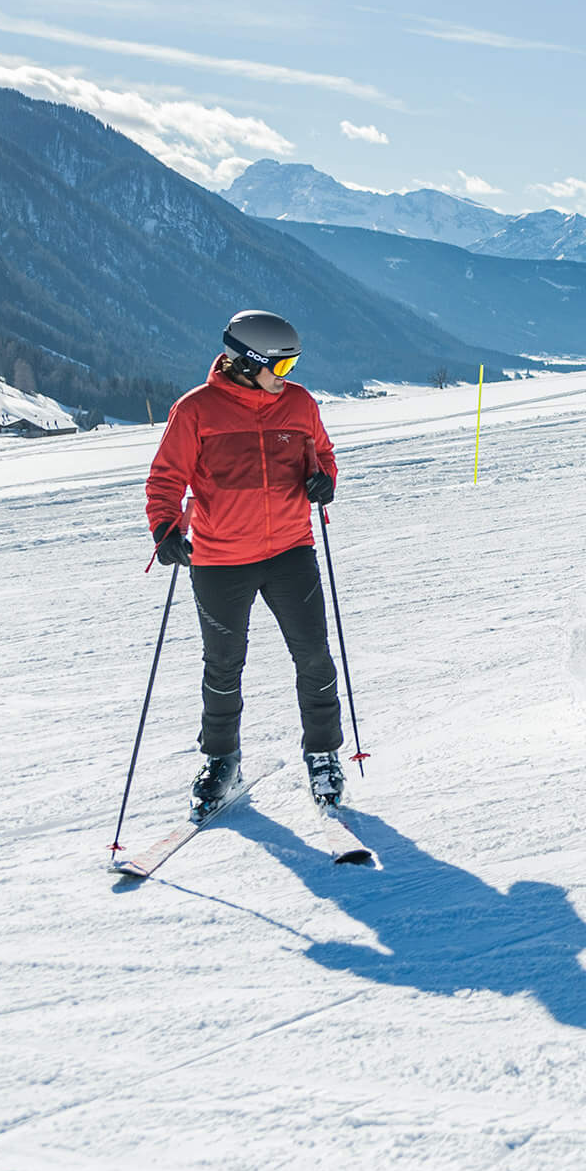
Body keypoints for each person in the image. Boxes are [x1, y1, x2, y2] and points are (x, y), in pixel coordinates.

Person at [144, 310, 346, 817]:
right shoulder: (196, 410)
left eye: (292, 366)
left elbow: (322, 455)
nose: (288, 378)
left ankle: (323, 754)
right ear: (247, 362)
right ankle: (221, 761)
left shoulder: (299, 404)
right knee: (223, 665)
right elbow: (166, 478)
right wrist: (165, 528)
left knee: (314, 656)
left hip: (290, 552)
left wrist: (324, 481)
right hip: (219, 560)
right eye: (280, 367)